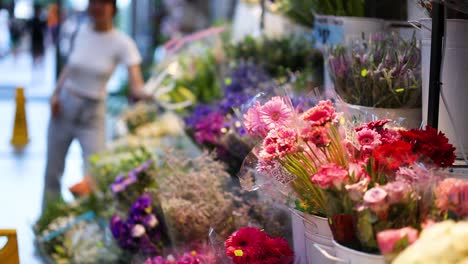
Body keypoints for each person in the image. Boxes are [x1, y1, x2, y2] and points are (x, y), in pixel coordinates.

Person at [43, 0, 153, 206]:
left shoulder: (122, 42)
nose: (98, 7)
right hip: (64, 107)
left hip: (93, 115)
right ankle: (47, 224)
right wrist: (55, 93)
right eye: (94, 2)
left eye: (104, 3)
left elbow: (136, 86)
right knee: (52, 172)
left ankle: (86, 231)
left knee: (94, 177)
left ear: (113, 8)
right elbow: (69, 68)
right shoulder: (80, 31)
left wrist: (152, 93)